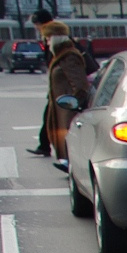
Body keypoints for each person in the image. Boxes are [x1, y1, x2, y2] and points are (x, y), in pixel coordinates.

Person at [44, 35, 91, 172]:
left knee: (68, 133)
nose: (47, 43)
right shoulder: (61, 56)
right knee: (62, 133)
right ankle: (67, 161)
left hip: (68, 104)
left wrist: (75, 102)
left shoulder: (69, 57)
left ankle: (70, 162)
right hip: (62, 104)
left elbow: (79, 83)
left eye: (48, 40)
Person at [27, 10, 69, 156]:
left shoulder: (60, 43)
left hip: (63, 91)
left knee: (55, 120)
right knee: (49, 118)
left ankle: (57, 151)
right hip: (56, 90)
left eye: (37, 25)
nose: (37, 29)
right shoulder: (52, 40)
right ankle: (45, 145)